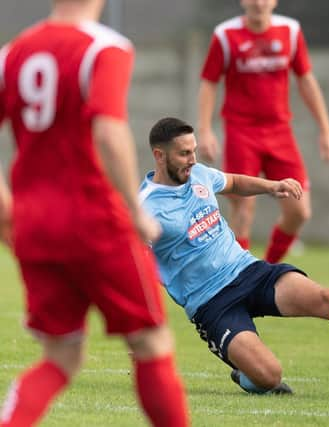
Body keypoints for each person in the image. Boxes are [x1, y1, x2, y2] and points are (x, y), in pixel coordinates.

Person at [139, 117, 329, 394]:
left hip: (247, 271)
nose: (192, 160)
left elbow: (233, 182)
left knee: (327, 298)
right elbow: (131, 260)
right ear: (159, 155)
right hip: (210, 302)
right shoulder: (146, 207)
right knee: (270, 377)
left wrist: (272, 186)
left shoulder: (199, 174)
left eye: (193, 151)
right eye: (184, 154)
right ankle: (247, 374)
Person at [0, 1, 190, 426]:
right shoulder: (105, 47)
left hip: (35, 227)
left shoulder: (12, 53)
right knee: (151, 342)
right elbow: (108, 129)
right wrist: (134, 208)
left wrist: (8, 214)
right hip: (95, 223)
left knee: (61, 356)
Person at [197, 0, 329, 263]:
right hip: (241, 132)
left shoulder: (290, 31)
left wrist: (325, 129)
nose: (259, 3)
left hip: (280, 132)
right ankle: (238, 279)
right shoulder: (225, 35)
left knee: (299, 211)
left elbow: (305, 79)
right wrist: (205, 130)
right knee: (243, 210)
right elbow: (209, 82)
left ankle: (268, 268)